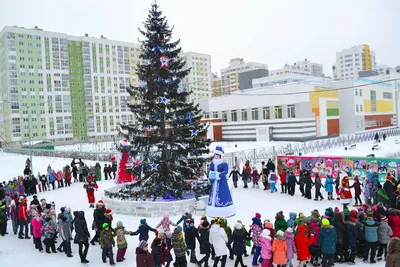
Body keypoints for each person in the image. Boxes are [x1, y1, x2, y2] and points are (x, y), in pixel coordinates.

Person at [206, 146, 236, 218]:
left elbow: (225, 171)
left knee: (222, 193)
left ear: (220, 156)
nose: (216, 157)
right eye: (215, 155)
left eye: (217, 155)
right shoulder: (213, 163)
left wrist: (219, 175)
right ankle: (212, 207)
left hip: (222, 182)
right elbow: (210, 171)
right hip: (214, 181)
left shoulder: (224, 164)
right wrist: (212, 175)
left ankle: (224, 207)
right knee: (214, 193)